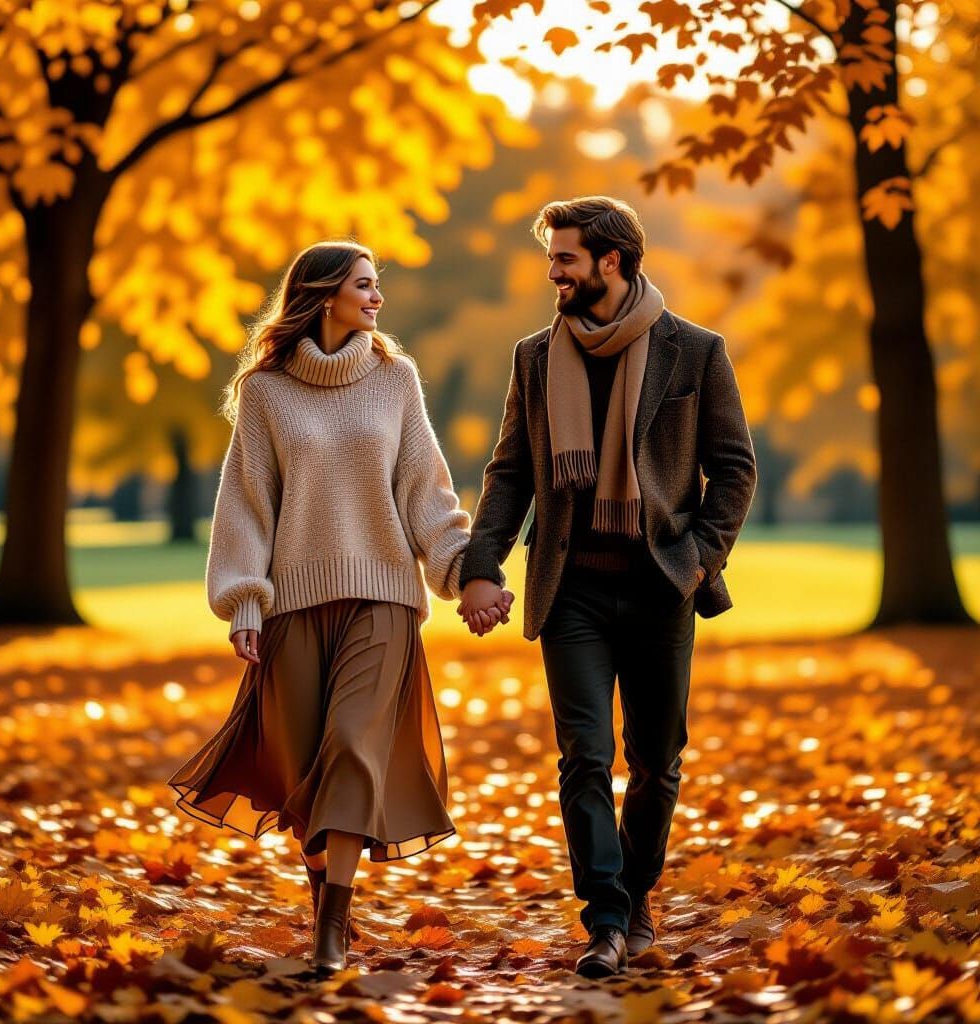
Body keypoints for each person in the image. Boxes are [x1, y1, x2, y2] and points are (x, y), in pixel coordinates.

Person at [167, 241, 512, 975]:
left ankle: (333, 921)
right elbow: (247, 507)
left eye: (377, 286)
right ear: (325, 295)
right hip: (293, 605)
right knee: (304, 765)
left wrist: (462, 572)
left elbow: (426, 491)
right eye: (365, 285)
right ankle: (325, 880)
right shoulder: (265, 392)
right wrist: (245, 604)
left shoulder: (395, 379)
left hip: (383, 598)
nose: (377, 298)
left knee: (354, 744)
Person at [457, 196, 757, 978]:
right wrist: (481, 561)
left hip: (662, 586)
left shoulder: (694, 351)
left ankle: (635, 890)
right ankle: (607, 920)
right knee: (584, 757)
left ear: (611, 262)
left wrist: (696, 559)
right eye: (552, 257)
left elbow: (734, 469)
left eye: (565, 259)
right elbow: (511, 470)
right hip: (573, 593)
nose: (552, 272)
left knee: (657, 761)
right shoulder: (534, 357)